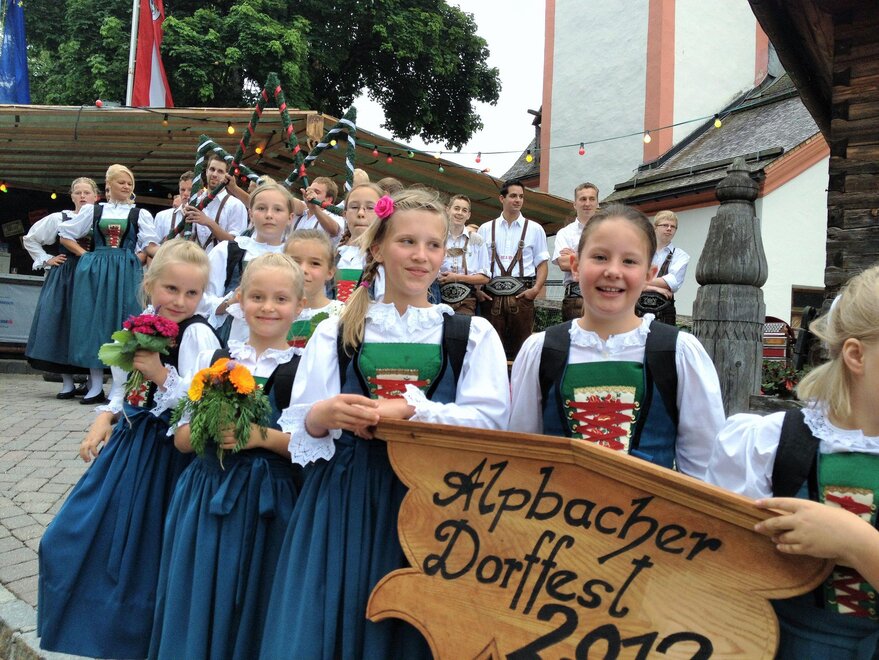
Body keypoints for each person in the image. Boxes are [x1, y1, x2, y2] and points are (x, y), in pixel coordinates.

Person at [261, 188, 510, 658]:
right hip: (347, 495)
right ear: (377, 248)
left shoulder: (469, 334)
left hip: (438, 503)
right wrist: (323, 415)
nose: (421, 256)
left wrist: (412, 409)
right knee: (342, 610)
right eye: (407, 242)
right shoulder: (337, 330)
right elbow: (301, 428)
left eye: (433, 245)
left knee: (417, 628)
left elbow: (491, 422)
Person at [37, 240, 219, 658]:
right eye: (171, 289)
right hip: (128, 447)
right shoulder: (140, 325)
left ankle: (134, 642)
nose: (180, 301)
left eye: (191, 292)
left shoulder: (197, 333)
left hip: (167, 455)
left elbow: (202, 403)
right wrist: (104, 418)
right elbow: (122, 390)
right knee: (68, 539)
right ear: (150, 284)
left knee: (143, 555)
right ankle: (97, 633)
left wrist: (161, 374)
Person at [706, 265, 879, 658]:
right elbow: (720, 567)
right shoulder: (773, 443)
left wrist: (857, 542)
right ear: (856, 355)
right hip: (785, 646)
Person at [150, 252, 305, 658]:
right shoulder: (215, 360)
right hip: (205, 494)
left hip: (267, 503)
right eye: (257, 297)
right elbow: (181, 439)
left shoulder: (302, 369)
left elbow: (311, 448)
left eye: (280, 299)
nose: (267, 307)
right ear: (240, 300)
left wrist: (259, 436)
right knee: (197, 591)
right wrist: (208, 430)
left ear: (299, 306)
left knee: (255, 597)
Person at [509, 204, 724, 478]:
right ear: (575, 266)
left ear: (649, 275)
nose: (613, 271)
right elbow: (522, 459)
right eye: (600, 257)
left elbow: (705, 472)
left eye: (629, 261)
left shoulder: (678, 352)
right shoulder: (542, 350)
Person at [59, 164, 159, 404]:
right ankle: (95, 385)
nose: (126, 186)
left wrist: (143, 258)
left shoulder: (139, 214)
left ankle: (119, 386)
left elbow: (149, 245)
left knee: (123, 322)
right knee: (94, 322)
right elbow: (65, 234)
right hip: (96, 270)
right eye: (121, 182)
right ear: (109, 185)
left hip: (126, 270)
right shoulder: (94, 211)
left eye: (130, 183)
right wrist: (86, 256)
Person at [23, 177, 99, 398]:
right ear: (72, 196)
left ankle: (91, 382)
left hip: (92, 274)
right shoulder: (60, 218)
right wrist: (46, 259)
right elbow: (30, 239)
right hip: (65, 275)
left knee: (88, 325)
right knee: (61, 323)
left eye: (87, 192)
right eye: (78, 192)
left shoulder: (101, 218)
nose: (82, 196)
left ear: (96, 196)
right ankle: (67, 382)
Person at [203, 181, 294, 345]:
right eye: (261, 208)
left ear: (290, 217)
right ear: (251, 214)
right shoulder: (229, 251)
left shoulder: (295, 258)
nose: (269, 215)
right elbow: (202, 298)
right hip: (230, 342)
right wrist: (229, 303)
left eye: (278, 209)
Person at [477, 179, 549, 361]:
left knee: (522, 352)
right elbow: (477, 264)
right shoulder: (485, 229)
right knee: (490, 352)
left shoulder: (535, 229)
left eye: (521, 197)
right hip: (491, 297)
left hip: (522, 296)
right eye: (513, 196)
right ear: (502, 198)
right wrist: (477, 290)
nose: (518, 200)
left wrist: (535, 290)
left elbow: (542, 263)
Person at [284, 229, 345, 347]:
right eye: (295, 262)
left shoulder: (340, 313)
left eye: (315, 263)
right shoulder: (274, 311)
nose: (303, 270)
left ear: (330, 272)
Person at [183, 153, 249, 253]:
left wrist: (208, 222)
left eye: (220, 171)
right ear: (206, 172)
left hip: (222, 262)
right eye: (212, 169)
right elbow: (188, 237)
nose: (214, 174)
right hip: (196, 261)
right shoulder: (195, 202)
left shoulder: (236, 205)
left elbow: (236, 244)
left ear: (227, 176)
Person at [553, 182, 599, 321]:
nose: (587, 203)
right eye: (583, 199)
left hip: (602, 297)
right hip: (574, 299)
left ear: (597, 203)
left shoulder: (608, 231)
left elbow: (612, 262)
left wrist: (575, 256)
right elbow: (564, 264)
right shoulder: (564, 233)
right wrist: (597, 258)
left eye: (591, 199)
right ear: (575, 204)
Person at [437, 194, 489, 315]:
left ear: (468, 215)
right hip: (438, 296)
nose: (460, 213)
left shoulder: (477, 240)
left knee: (462, 327)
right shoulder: (437, 236)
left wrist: (457, 277)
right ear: (448, 210)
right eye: (456, 208)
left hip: (467, 301)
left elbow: (485, 277)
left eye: (464, 210)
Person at [636, 210, 689, 326]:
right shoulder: (640, 252)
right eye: (665, 225)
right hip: (637, 309)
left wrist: (642, 283)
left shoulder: (681, 256)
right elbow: (630, 280)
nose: (669, 229)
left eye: (673, 226)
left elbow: (672, 282)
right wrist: (656, 289)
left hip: (664, 313)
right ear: (655, 227)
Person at [335, 182, 384, 302]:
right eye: (354, 207)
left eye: (370, 208)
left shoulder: (385, 261)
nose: (361, 213)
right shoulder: (335, 255)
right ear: (345, 214)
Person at [292, 176, 345, 242]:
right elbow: (287, 201)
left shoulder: (335, 217)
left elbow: (334, 231)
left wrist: (315, 208)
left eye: (317, 192)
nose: (311, 194)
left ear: (329, 199)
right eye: (309, 190)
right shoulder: (302, 209)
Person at [153, 171, 194, 242]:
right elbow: (155, 245)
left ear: (201, 191)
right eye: (182, 190)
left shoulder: (206, 216)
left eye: (190, 190)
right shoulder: (162, 217)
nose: (185, 193)